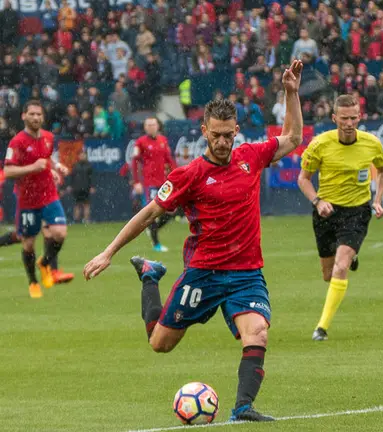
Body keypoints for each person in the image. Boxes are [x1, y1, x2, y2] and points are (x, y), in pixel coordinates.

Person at [82, 60, 304, 422]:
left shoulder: (249, 158)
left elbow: (293, 138)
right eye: (215, 134)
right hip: (203, 272)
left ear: (236, 130)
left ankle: (243, 408)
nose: (222, 141)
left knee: (258, 332)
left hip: (246, 273)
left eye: (228, 134)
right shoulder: (190, 175)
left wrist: (291, 93)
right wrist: (109, 251)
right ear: (203, 130)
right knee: (160, 344)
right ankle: (151, 275)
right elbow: (149, 213)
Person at [297, 94, 383, 342]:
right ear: (334, 118)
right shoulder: (319, 144)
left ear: (360, 117)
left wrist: (378, 200)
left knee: (341, 266)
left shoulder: (371, 143)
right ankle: (351, 257)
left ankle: (321, 328)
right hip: (326, 212)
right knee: (328, 274)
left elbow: (382, 170)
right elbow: (303, 179)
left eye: (353, 118)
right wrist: (317, 202)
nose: (349, 123)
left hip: (357, 211)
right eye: (344, 118)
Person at [3, 100, 74, 298]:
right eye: (32, 114)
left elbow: (46, 158)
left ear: (43, 117)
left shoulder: (49, 138)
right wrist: (32, 168)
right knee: (28, 243)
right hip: (27, 200)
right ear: (24, 116)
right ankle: (33, 282)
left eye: (39, 114)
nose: (36, 118)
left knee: (59, 232)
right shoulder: (17, 142)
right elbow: (8, 171)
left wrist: (55, 168)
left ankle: (45, 263)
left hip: (49, 194)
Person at [131, 117, 177, 252]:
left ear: (158, 126)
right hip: (149, 183)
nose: (151, 127)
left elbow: (169, 160)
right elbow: (135, 163)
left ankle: (151, 229)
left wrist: (177, 176)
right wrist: (136, 182)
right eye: (148, 125)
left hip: (163, 182)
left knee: (172, 211)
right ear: (145, 127)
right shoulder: (140, 142)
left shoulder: (163, 140)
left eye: (153, 124)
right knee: (153, 212)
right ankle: (156, 244)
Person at [68, 149, 95, 223]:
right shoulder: (75, 165)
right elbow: (72, 177)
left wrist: (92, 186)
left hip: (86, 188)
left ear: (86, 156)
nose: (82, 156)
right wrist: (70, 185)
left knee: (86, 204)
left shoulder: (89, 166)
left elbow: (91, 177)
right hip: (77, 188)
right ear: (79, 156)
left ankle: (86, 220)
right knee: (77, 204)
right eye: (81, 154)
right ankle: (76, 220)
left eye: (84, 154)